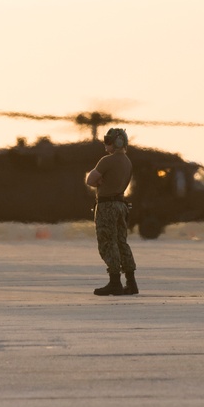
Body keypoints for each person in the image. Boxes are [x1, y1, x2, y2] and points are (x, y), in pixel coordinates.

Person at [86, 127, 138, 296]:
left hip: (107, 206)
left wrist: (101, 180)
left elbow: (90, 180)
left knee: (108, 242)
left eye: (108, 141)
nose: (105, 145)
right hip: (121, 205)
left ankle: (115, 282)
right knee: (122, 242)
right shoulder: (127, 162)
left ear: (118, 142)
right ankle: (131, 282)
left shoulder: (107, 161)